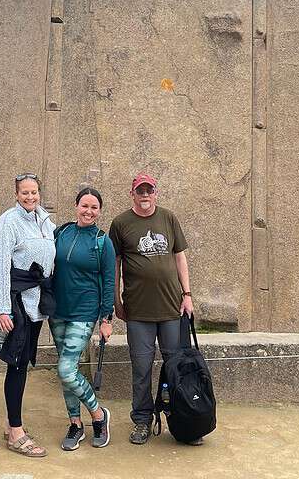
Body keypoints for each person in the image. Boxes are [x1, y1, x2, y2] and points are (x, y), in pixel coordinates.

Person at [109, 172, 199, 446]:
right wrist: (116, 301)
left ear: (156, 193)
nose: (145, 195)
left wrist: (187, 295)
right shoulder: (121, 223)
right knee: (141, 369)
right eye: (140, 190)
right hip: (138, 312)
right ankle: (141, 421)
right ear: (132, 194)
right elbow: (114, 265)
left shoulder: (168, 218)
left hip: (172, 308)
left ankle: (180, 421)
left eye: (149, 190)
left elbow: (180, 257)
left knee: (176, 368)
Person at [0, 173, 56, 458]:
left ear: (40, 193)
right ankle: (16, 432)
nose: (30, 197)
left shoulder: (46, 221)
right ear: (16, 195)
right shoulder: (8, 222)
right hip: (16, 301)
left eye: (34, 192)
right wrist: (1, 308)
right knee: (16, 364)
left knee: (23, 362)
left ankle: (9, 421)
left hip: (37, 304)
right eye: (24, 193)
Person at [49, 187, 115, 451]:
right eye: (84, 206)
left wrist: (106, 318)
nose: (88, 211)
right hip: (58, 312)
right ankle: (75, 424)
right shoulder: (61, 233)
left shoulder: (102, 241)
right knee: (69, 372)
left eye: (94, 207)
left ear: (99, 211)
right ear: (76, 206)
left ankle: (99, 415)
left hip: (84, 312)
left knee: (65, 369)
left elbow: (109, 280)